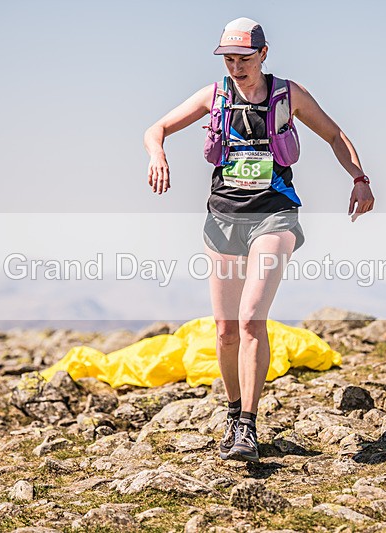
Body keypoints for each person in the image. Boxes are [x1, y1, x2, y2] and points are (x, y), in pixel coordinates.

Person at [143, 18, 374, 462]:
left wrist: (359, 178)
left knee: (251, 319)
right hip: (223, 218)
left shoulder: (289, 95)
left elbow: (334, 134)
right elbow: (156, 129)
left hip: (275, 215)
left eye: (244, 59)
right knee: (226, 329)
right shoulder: (214, 96)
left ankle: (248, 426)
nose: (236, 67)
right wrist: (158, 153)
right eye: (229, 59)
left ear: (263, 54)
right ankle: (233, 413)